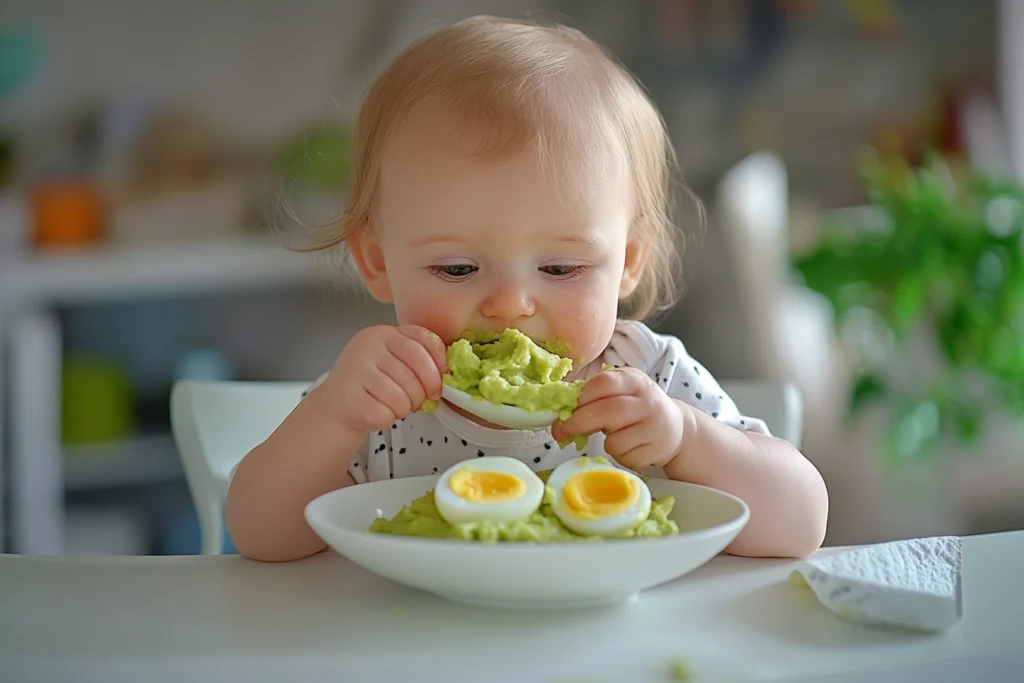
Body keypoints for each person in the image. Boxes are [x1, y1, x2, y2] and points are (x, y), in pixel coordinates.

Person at [226, 15, 828, 562]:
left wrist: (686, 436)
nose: (511, 306)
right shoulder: (382, 395)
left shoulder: (645, 376)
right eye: (458, 269)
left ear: (628, 263)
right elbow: (258, 536)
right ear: (377, 261)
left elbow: (803, 522)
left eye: (562, 269)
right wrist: (333, 416)